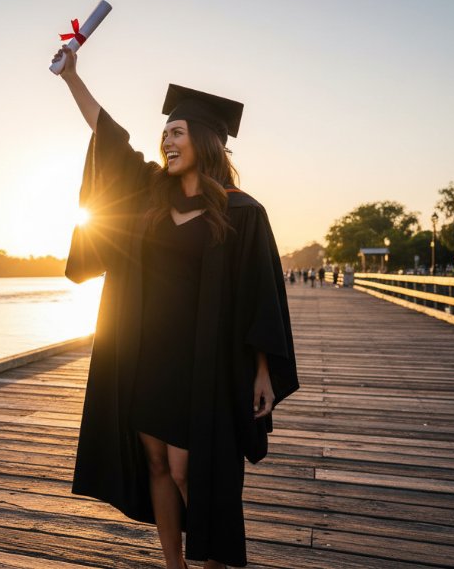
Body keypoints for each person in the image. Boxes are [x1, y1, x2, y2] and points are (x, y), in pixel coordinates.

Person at [54, 44, 298, 569]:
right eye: (164, 133)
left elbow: (261, 297)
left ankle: (214, 561)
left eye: (177, 133)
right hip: (146, 355)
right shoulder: (150, 196)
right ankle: (174, 565)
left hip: (205, 364)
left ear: (204, 141)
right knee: (158, 465)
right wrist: (72, 77)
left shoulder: (242, 213)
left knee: (192, 470)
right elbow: (109, 138)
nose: (166, 141)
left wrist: (263, 373)